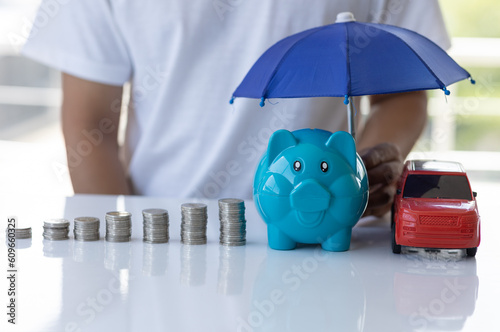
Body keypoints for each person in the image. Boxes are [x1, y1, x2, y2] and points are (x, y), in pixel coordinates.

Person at [23, 0, 451, 217]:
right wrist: (126, 246)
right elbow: (90, 129)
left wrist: (360, 176)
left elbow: (403, 94)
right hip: (167, 232)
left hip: (325, 230)